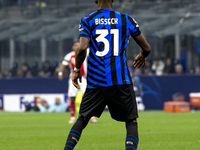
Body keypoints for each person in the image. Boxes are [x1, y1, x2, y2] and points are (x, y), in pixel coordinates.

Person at [63, 0, 151, 150]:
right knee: (131, 121)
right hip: (121, 79)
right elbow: (147, 48)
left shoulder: (87, 20)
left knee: (83, 119)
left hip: (96, 81)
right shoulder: (126, 19)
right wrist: (142, 55)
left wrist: (77, 69)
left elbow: (82, 48)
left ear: (95, 0)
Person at [58, 41, 97, 124]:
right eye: (75, 45)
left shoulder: (86, 52)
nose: (77, 46)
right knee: (72, 97)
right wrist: (60, 73)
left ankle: (92, 116)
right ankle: (72, 117)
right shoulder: (70, 55)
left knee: (88, 96)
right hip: (73, 78)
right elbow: (63, 64)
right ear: (73, 47)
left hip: (84, 78)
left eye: (78, 45)